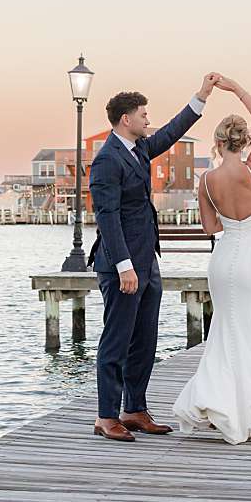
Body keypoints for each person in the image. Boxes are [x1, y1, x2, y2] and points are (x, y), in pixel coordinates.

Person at [87, 73, 220, 443]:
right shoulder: (106, 161)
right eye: (143, 115)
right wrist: (124, 266)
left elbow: (173, 131)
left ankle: (134, 409)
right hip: (122, 266)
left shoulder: (140, 148)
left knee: (145, 339)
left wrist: (202, 96)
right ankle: (105, 416)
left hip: (148, 261)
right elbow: (107, 217)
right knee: (117, 340)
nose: (149, 120)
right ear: (125, 119)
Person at [171, 76, 251, 444]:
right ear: (245, 142)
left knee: (224, 334)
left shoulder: (207, 179)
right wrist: (236, 88)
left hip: (223, 261)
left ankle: (217, 403)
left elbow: (210, 227)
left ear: (218, 142)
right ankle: (250, 416)